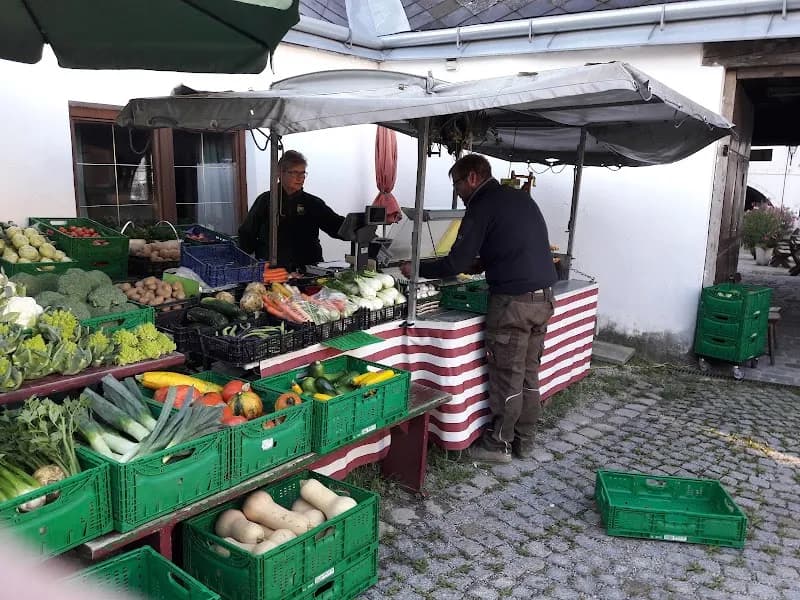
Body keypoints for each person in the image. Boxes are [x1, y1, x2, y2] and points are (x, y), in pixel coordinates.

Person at [401, 154, 558, 463]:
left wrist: (416, 266)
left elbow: (456, 262)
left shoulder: (482, 204)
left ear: (472, 177)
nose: (457, 191)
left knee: (507, 374)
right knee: (528, 372)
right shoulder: (518, 198)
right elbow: (508, 245)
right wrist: (480, 263)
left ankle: (498, 444)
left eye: (457, 183)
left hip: (513, 301)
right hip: (543, 298)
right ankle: (524, 440)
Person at [238, 150, 347, 271]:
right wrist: (247, 266)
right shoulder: (266, 201)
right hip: (274, 271)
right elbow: (246, 234)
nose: (300, 178)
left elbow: (337, 227)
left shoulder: (313, 203)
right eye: (294, 173)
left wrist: (360, 226)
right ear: (280, 173)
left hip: (308, 270)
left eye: (303, 173)